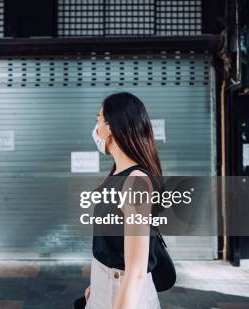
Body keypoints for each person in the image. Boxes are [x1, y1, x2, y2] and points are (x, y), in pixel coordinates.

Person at [84, 92, 162, 309]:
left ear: (110, 128)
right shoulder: (119, 175)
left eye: (98, 119)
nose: (95, 128)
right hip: (105, 288)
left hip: (123, 295)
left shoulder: (136, 181)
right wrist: (97, 284)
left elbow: (136, 271)